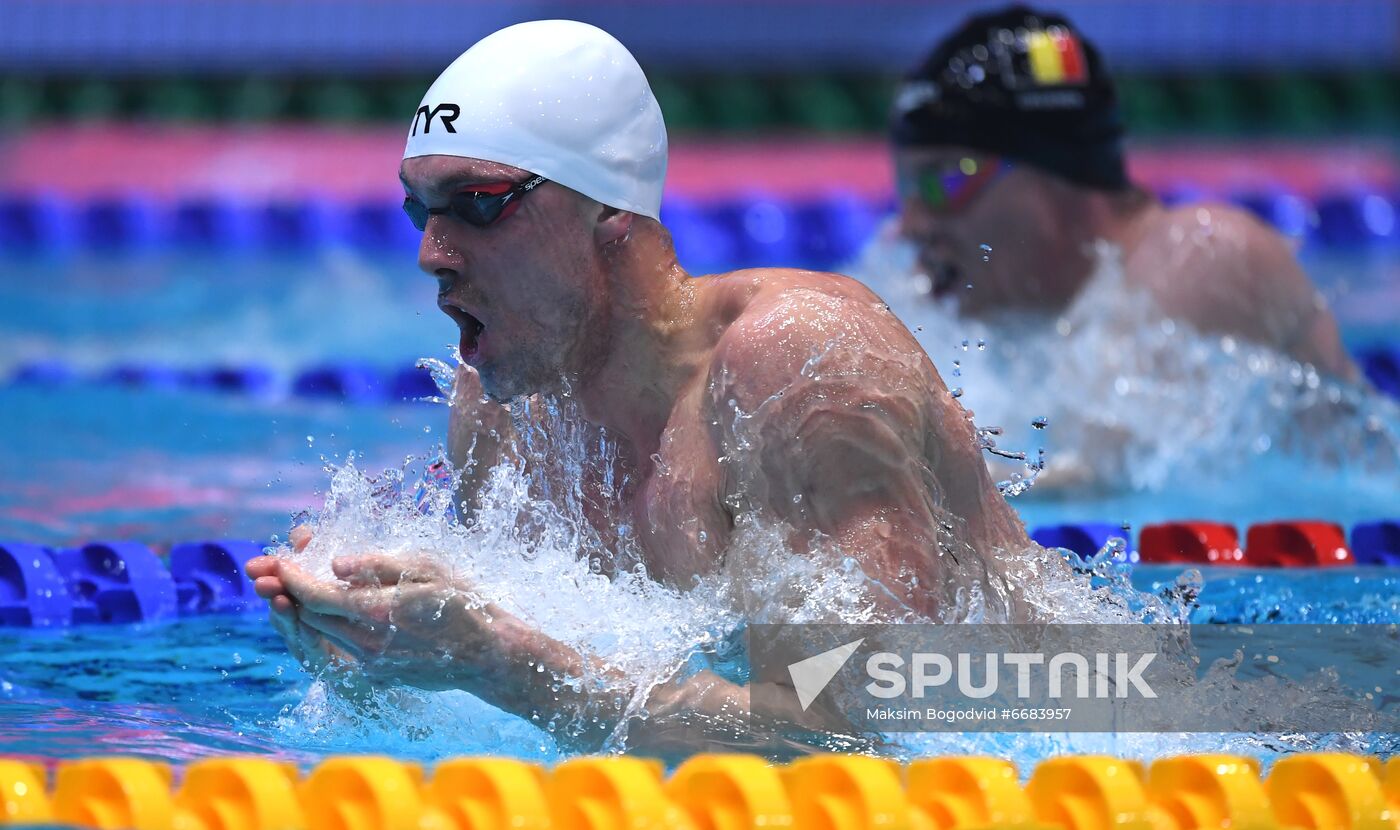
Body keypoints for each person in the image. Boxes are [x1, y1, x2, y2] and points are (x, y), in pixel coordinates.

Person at [245, 20, 1040, 754]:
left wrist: (500, 662)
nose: (433, 253)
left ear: (611, 214)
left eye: (478, 205)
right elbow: (497, 709)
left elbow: (872, 731)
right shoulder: (501, 412)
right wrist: (372, 656)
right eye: (420, 211)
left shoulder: (793, 364)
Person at [878, 5, 1358, 381]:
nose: (912, 224)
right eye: (907, 186)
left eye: (948, 179)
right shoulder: (1049, 320)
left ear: (1058, 171)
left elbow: (1094, 481)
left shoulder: (1202, 258)